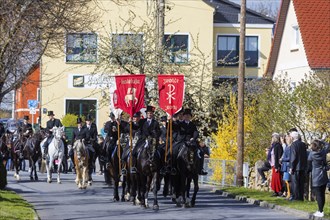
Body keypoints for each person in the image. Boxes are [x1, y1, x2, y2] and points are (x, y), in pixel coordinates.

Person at [181, 108, 207, 175]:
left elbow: (196, 132)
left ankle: (200, 169)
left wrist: (193, 138)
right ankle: (173, 167)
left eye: (189, 116)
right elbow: (179, 133)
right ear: (183, 116)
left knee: (201, 152)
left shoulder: (193, 125)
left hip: (192, 141)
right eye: (186, 115)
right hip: (182, 141)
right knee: (174, 152)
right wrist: (184, 139)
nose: (187, 117)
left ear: (190, 117)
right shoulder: (180, 124)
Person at [307, 140, 330, 218]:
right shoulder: (323, 152)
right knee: (322, 194)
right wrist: (322, 141)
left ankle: (320, 211)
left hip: (316, 175)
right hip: (323, 174)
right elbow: (328, 145)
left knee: (318, 194)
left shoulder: (311, 154)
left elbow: (309, 164)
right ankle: (321, 209)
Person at [289, 131, 307, 201]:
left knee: (295, 183)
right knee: (301, 183)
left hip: (296, 167)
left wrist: (292, 167)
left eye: (290, 136)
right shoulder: (303, 144)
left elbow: (294, 156)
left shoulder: (293, 145)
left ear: (293, 137)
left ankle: (296, 197)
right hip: (302, 166)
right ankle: (300, 197)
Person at [84, 114, 98, 182]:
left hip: (92, 143)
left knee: (98, 149)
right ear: (86, 121)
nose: (88, 122)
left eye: (89, 120)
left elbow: (95, 135)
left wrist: (93, 140)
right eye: (87, 120)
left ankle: (98, 160)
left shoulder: (94, 126)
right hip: (85, 143)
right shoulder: (83, 127)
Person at [280, 134, 292, 199]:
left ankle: (289, 194)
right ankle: (288, 193)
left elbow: (289, 157)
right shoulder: (287, 147)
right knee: (286, 181)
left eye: (287, 139)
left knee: (288, 181)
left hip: (288, 166)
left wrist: (282, 159)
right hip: (285, 166)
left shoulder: (290, 147)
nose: (286, 140)